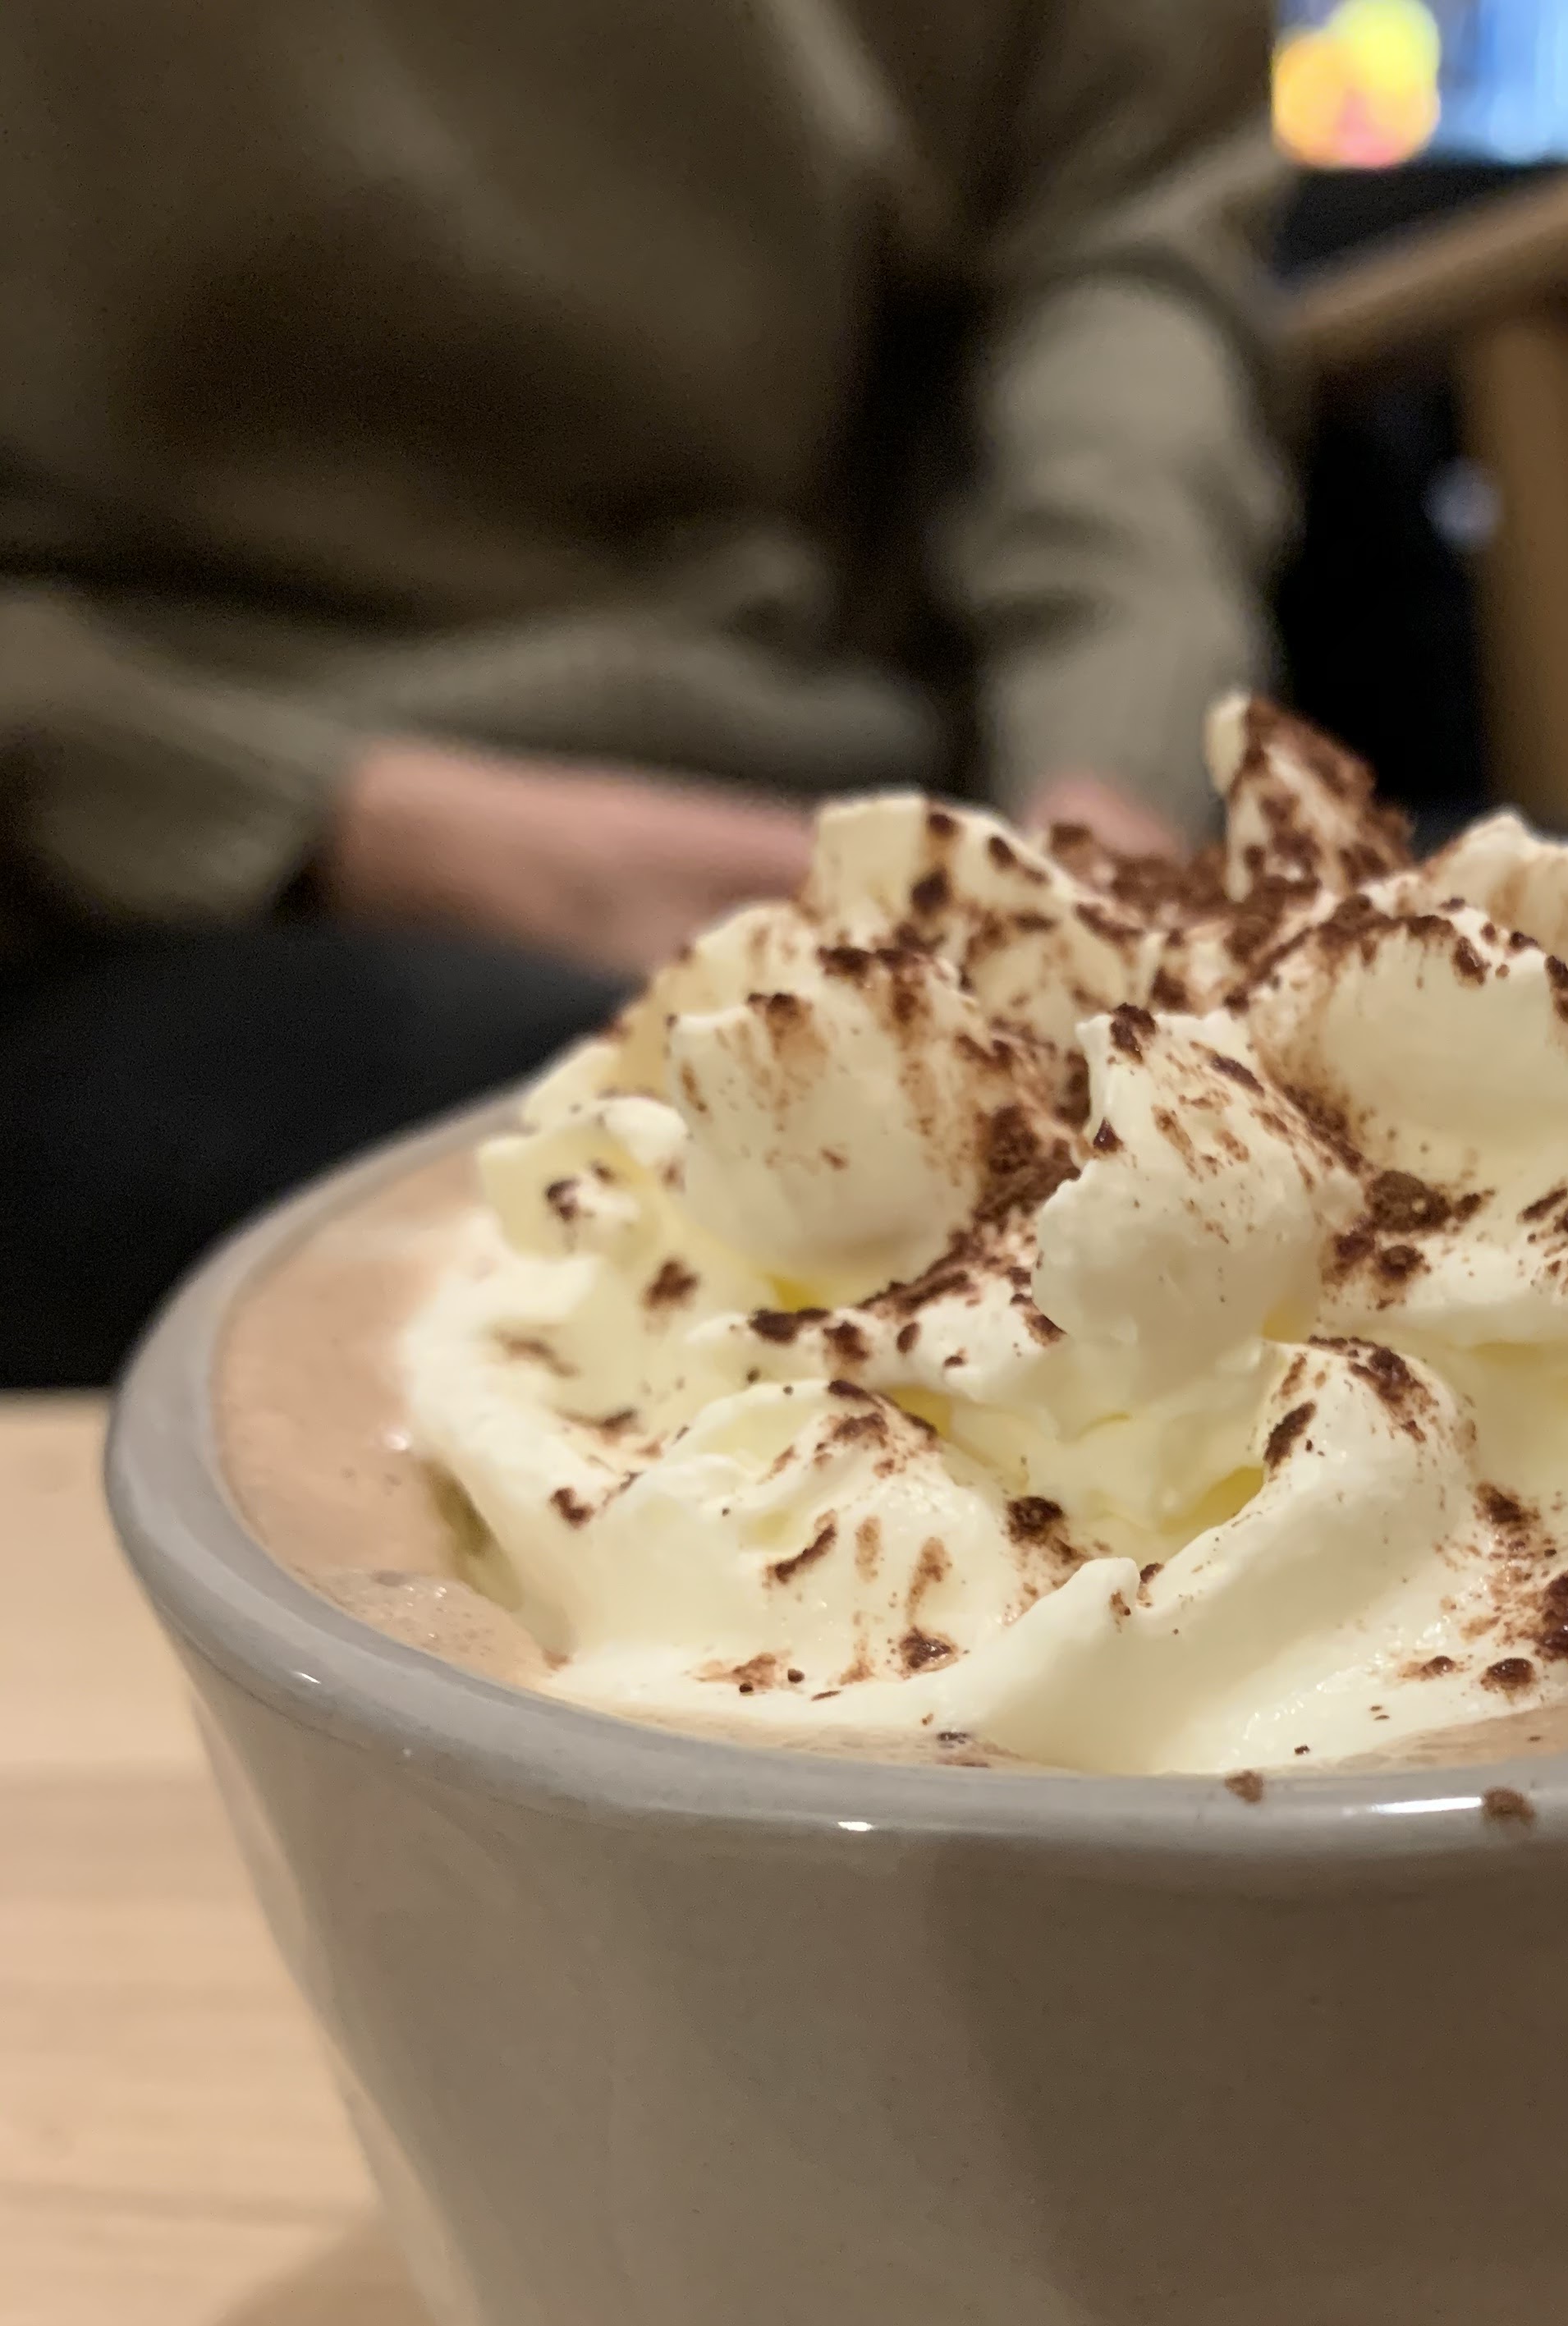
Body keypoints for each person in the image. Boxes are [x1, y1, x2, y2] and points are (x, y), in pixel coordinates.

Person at [0, 2, 1287, 1383]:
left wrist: (1106, 792)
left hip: (931, 773)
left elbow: (1117, 253)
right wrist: (301, 810)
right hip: (158, 843)